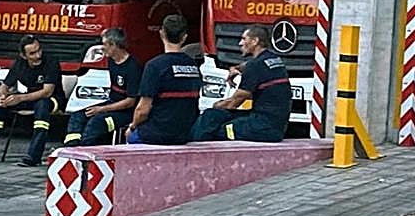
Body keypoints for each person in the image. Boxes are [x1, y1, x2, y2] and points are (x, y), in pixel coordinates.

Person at [0, 34, 65, 166]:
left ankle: (34, 156)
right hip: (29, 97)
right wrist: (3, 97)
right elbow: (4, 86)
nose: (38, 55)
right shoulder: (19, 64)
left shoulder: (50, 61)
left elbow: (47, 91)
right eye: (32, 53)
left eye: (39, 50)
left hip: (52, 99)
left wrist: (19, 98)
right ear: (23, 56)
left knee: (42, 105)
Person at [191, 24, 291, 143]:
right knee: (217, 118)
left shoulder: (254, 67)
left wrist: (214, 106)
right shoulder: (274, 60)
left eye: (244, 39)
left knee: (212, 125)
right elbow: (250, 65)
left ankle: (192, 151)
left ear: (254, 41)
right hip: (275, 126)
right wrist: (237, 69)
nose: (240, 43)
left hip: (262, 128)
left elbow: (232, 104)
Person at [125, 14, 203, 145]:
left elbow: (142, 110)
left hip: (155, 134)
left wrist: (132, 127)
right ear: (184, 37)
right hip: (184, 135)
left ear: (162, 33)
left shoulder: (154, 66)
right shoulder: (194, 66)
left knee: (131, 137)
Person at [64, 27, 142, 147]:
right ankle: (70, 148)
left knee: (96, 123)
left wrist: (100, 110)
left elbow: (130, 102)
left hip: (126, 113)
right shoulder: (111, 60)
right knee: (78, 116)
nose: (102, 47)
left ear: (114, 45)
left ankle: (84, 153)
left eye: (104, 44)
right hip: (111, 104)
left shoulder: (133, 68)